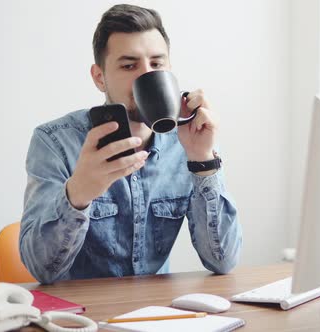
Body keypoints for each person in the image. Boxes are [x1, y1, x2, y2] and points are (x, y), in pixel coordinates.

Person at [19, 4, 242, 284]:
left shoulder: (186, 141)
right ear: (100, 77)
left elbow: (223, 261)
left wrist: (203, 160)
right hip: (81, 318)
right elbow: (41, 270)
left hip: (155, 315)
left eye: (157, 64)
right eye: (129, 65)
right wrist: (78, 193)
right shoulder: (55, 141)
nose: (146, 75)